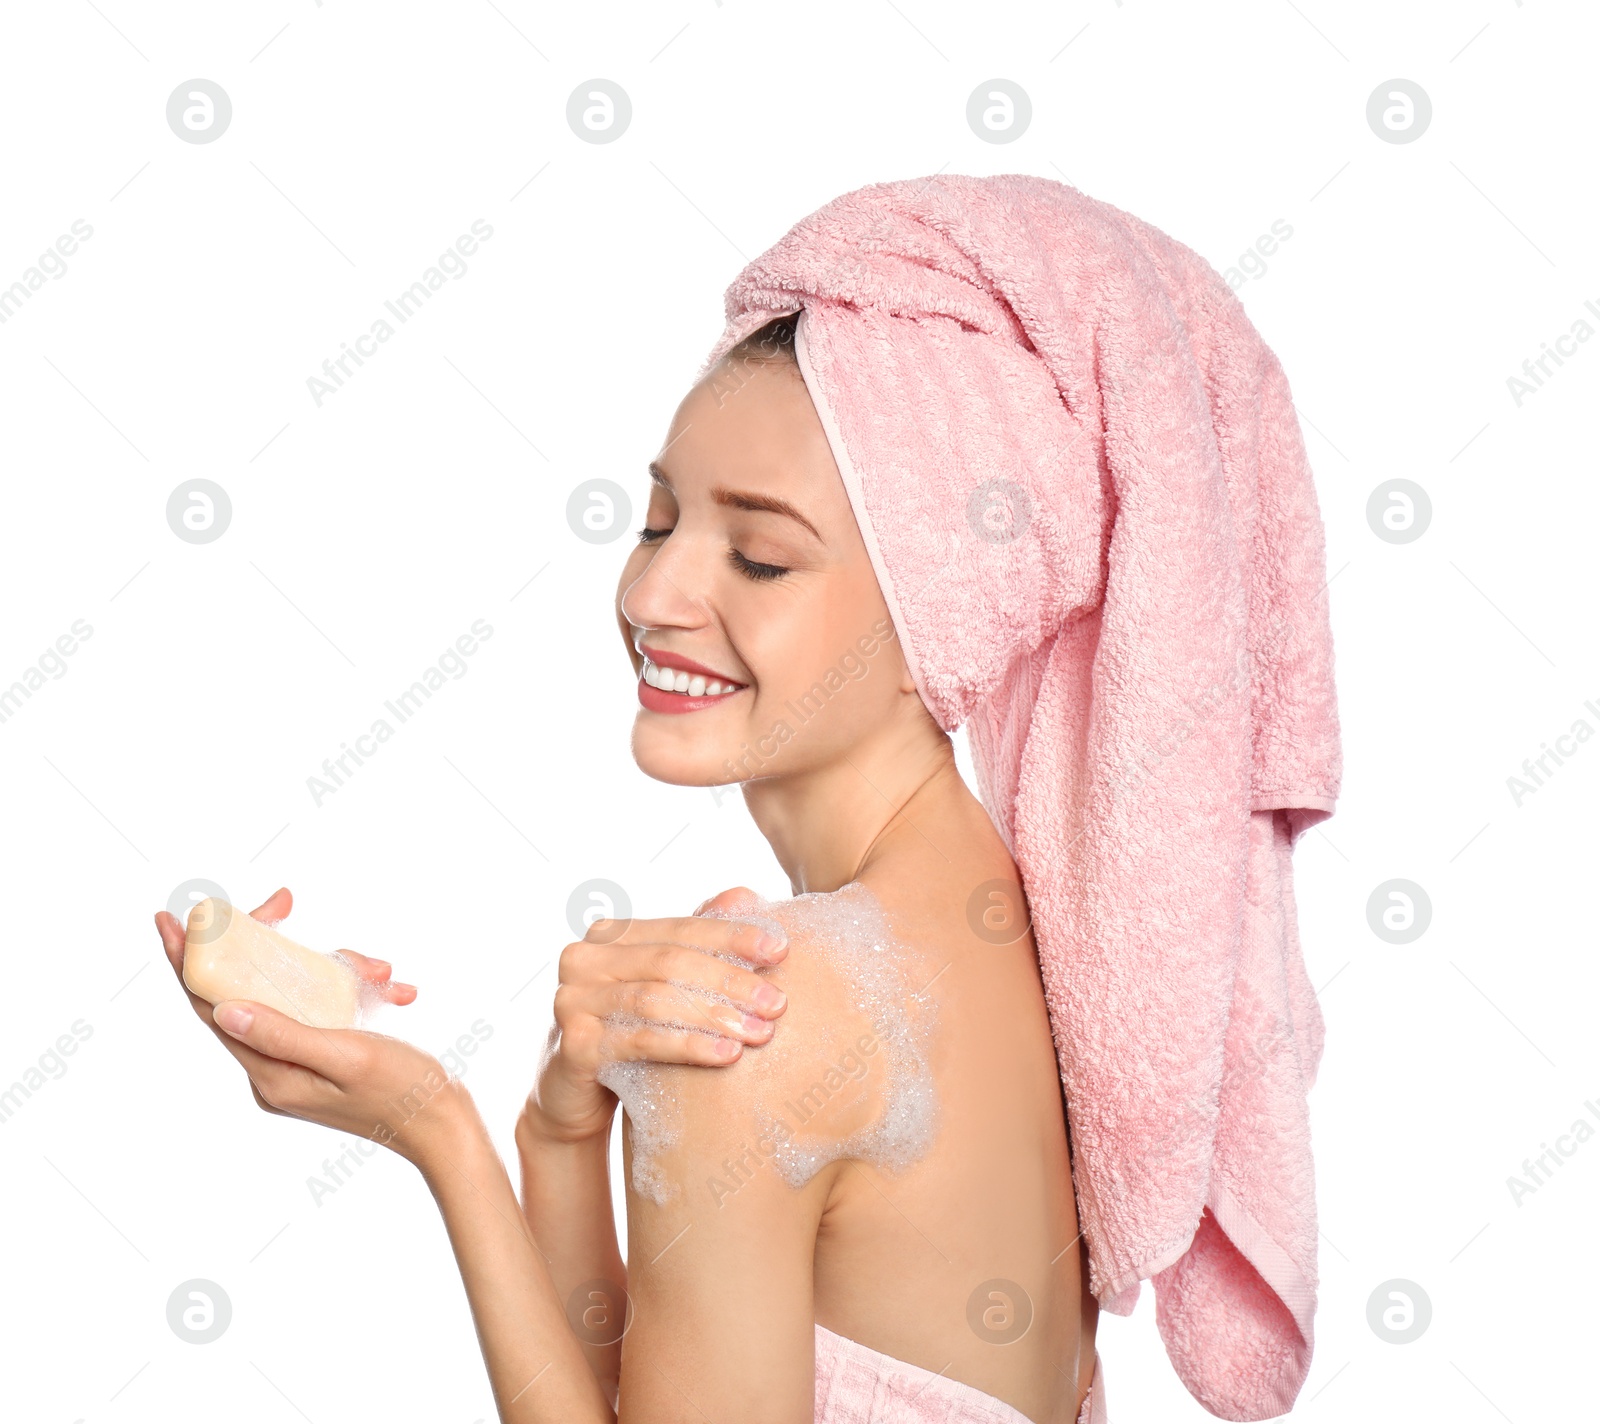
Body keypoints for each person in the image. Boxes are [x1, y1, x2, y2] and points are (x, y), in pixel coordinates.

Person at [153, 314, 1100, 1423]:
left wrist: (437, 1131)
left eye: (758, 554)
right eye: (658, 523)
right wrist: (558, 1130)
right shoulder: (1013, 920)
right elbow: (644, 1383)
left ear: (938, 624)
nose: (651, 597)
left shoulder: (757, 1009)